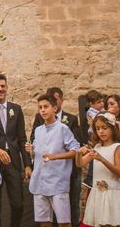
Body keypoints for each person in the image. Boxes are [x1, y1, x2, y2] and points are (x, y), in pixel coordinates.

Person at [0, 74, 33, 227]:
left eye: (3, 86)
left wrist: (28, 164)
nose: (0, 89)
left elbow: (22, 138)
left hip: (13, 161)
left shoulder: (16, 109)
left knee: (18, 204)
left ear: (7, 87)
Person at [31, 87, 82, 227]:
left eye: (46, 107)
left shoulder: (63, 128)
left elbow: (75, 150)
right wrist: (31, 150)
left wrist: (56, 156)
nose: (42, 110)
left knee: (63, 222)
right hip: (40, 182)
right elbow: (38, 154)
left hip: (57, 182)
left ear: (54, 108)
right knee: (44, 221)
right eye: (40, 107)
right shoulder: (38, 130)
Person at [78, 112, 120, 227]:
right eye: (98, 128)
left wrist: (102, 159)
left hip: (112, 194)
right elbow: (80, 163)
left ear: (112, 128)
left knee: (112, 224)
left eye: (104, 128)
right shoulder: (97, 147)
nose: (101, 131)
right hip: (98, 194)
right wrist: (78, 154)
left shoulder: (117, 147)